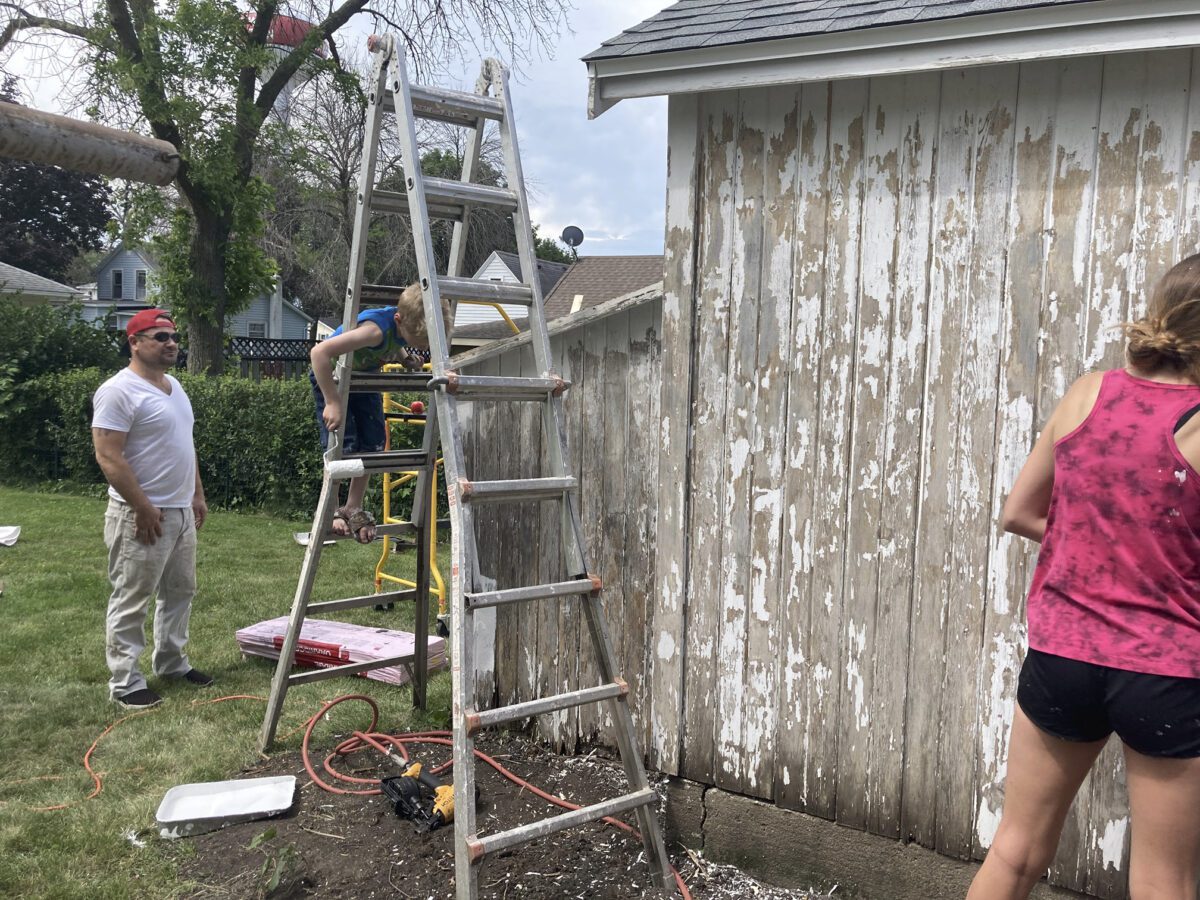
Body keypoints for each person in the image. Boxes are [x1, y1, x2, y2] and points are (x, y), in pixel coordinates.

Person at [969, 254, 1200, 900]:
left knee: (1014, 852)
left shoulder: (1087, 395)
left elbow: (1019, 511)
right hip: (1164, 675)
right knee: (1165, 886)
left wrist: (1101, 542)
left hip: (1062, 658)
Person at [92, 308, 211, 710]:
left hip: (179, 512)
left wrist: (196, 494)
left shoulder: (175, 387)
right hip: (139, 513)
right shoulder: (118, 390)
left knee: (181, 591)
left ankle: (173, 663)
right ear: (135, 342)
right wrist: (141, 506)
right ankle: (125, 682)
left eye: (173, 337)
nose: (171, 343)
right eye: (160, 337)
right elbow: (109, 456)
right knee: (133, 596)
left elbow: (185, 444)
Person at [310, 283, 451, 543]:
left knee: (374, 444)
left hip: (364, 381)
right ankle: (331, 511)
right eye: (419, 342)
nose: (423, 347)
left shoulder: (400, 325)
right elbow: (319, 353)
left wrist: (405, 357)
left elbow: (395, 340)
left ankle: (352, 506)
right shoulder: (373, 330)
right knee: (344, 446)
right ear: (399, 321)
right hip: (333, 380)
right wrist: (332, 401)